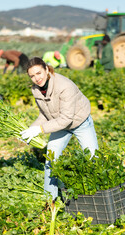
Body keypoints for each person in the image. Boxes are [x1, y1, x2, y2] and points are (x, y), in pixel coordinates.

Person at [20, 57, 98, 200]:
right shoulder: (36, 90)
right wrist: (30, 129)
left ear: (46, 69)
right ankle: (50, 200)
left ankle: (98, 195)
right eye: (32, 76)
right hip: (59, 124)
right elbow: (45, 114)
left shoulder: (64, 86)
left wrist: (40, 130)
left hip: (80, 122)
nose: (36, 78)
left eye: (39, 73)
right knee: (51, 160)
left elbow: (66, 119)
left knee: (93, 159)